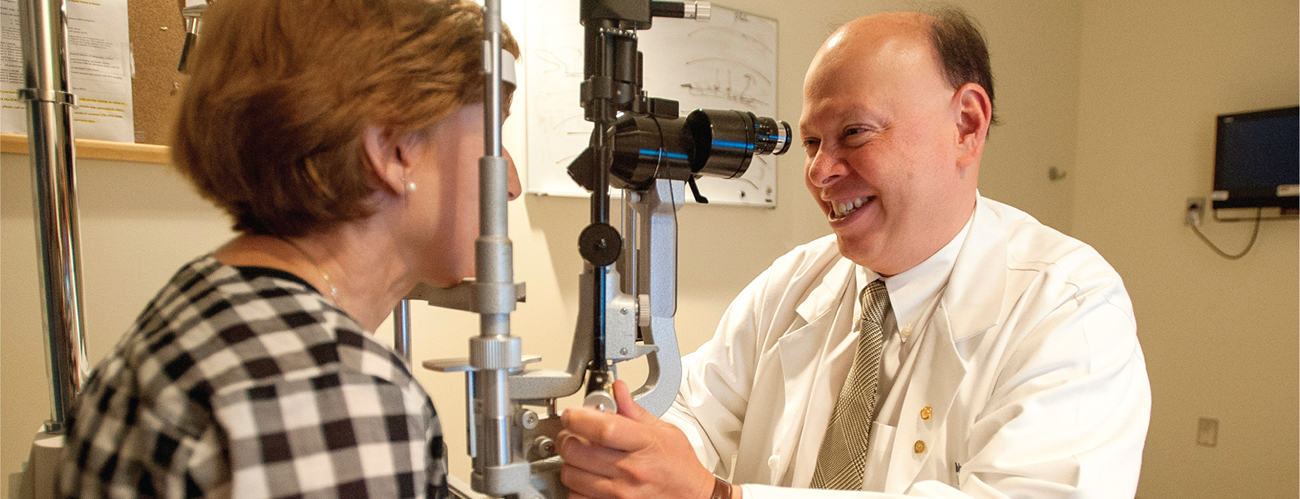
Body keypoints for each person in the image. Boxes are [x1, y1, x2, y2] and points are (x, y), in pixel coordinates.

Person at [557, 8, 1150, 499]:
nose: (819, 171)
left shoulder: (1069, 306)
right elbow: (695, 414)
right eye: (812, 141)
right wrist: (630, 452)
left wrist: (719, 496)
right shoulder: (794, 283)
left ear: (966, 125)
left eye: (855, 133)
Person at [56, 0, 520, 497]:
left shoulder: (203, 308)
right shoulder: (330, 394)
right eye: (494, 134)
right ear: (392, 148)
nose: (511, 183)